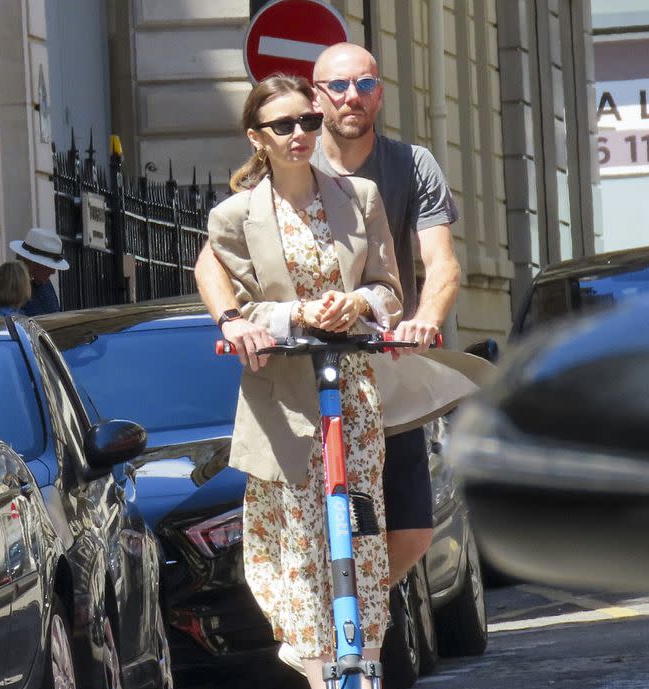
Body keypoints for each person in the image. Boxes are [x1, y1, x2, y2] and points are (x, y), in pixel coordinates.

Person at [195, 43, 462, 597]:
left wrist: (420, 323)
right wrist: (230, 321)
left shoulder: (409, 166)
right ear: (316, 96)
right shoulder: (291, 158)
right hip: (301, 372)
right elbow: (211, 259)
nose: (351, 98)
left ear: (380, 93)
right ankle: (339, 632)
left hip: (382, 359)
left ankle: (356, 610)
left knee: (410, 530)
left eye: (365, 85)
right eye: (337, 87)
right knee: (313, 526)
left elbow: (440, 265)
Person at [207, 73, 404, 689]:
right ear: (257, 138)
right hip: (282, 404)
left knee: (362, 542)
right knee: (301, 552)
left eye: (309, 123)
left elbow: (389, 289)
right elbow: (233, 301)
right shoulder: (234, 217)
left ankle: (369, 688)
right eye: (284, 126)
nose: (300, 136)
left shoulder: (362, 196)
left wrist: (359, 305)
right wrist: (294, 313)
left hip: (352, 394)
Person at [9, 227, 70, 315]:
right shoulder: (11, 287)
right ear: (33, 263)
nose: (53, 272)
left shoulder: (45, 284)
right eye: (49, 266)